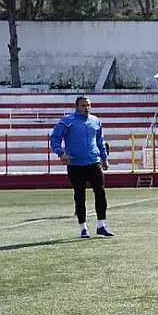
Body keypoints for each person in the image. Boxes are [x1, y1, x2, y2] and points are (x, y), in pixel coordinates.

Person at [50, 95, 114, 238]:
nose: (87, 108)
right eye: (83, 105)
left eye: (88, 105)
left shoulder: (95, 121)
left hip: (93, 162)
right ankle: (83, 228)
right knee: (80, 196)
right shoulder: (67, 121)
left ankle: (101, 225)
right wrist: (60, 153)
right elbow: (55, 138)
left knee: (100, 192)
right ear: (77, 107)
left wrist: (104, 158)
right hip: (75, 164)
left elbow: (100, 141)